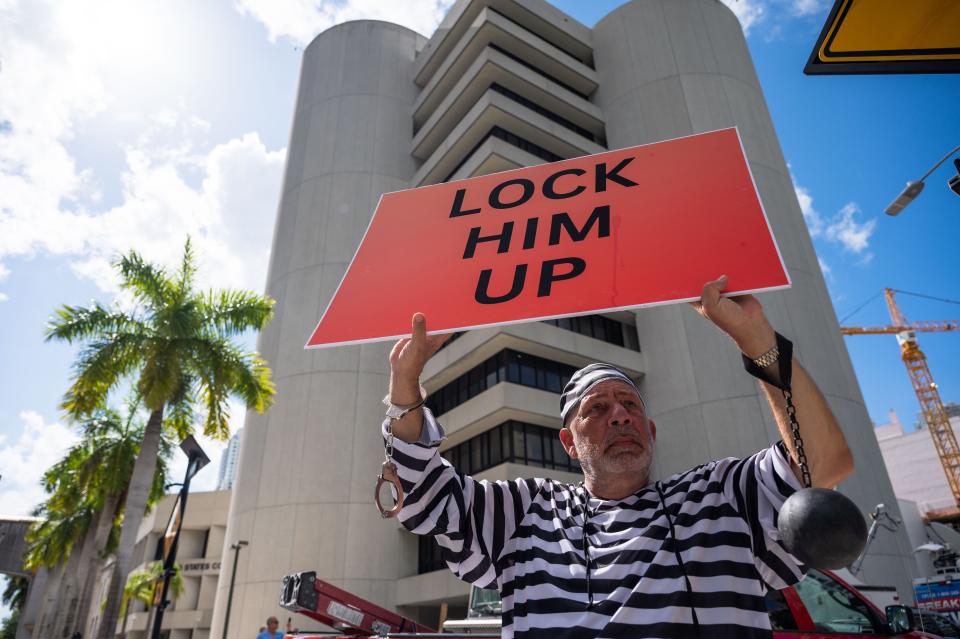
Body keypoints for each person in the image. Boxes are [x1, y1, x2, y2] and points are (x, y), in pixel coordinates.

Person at [380, 276, 853, 639]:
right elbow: (426, 498)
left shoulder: (718, 497)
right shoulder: (525, 513)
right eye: (599, 409)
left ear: (649, 430)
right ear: (569, 442)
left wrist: (758, 341)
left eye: (630, 406)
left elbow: (824, 466)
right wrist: (406, 386)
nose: (620, 417)